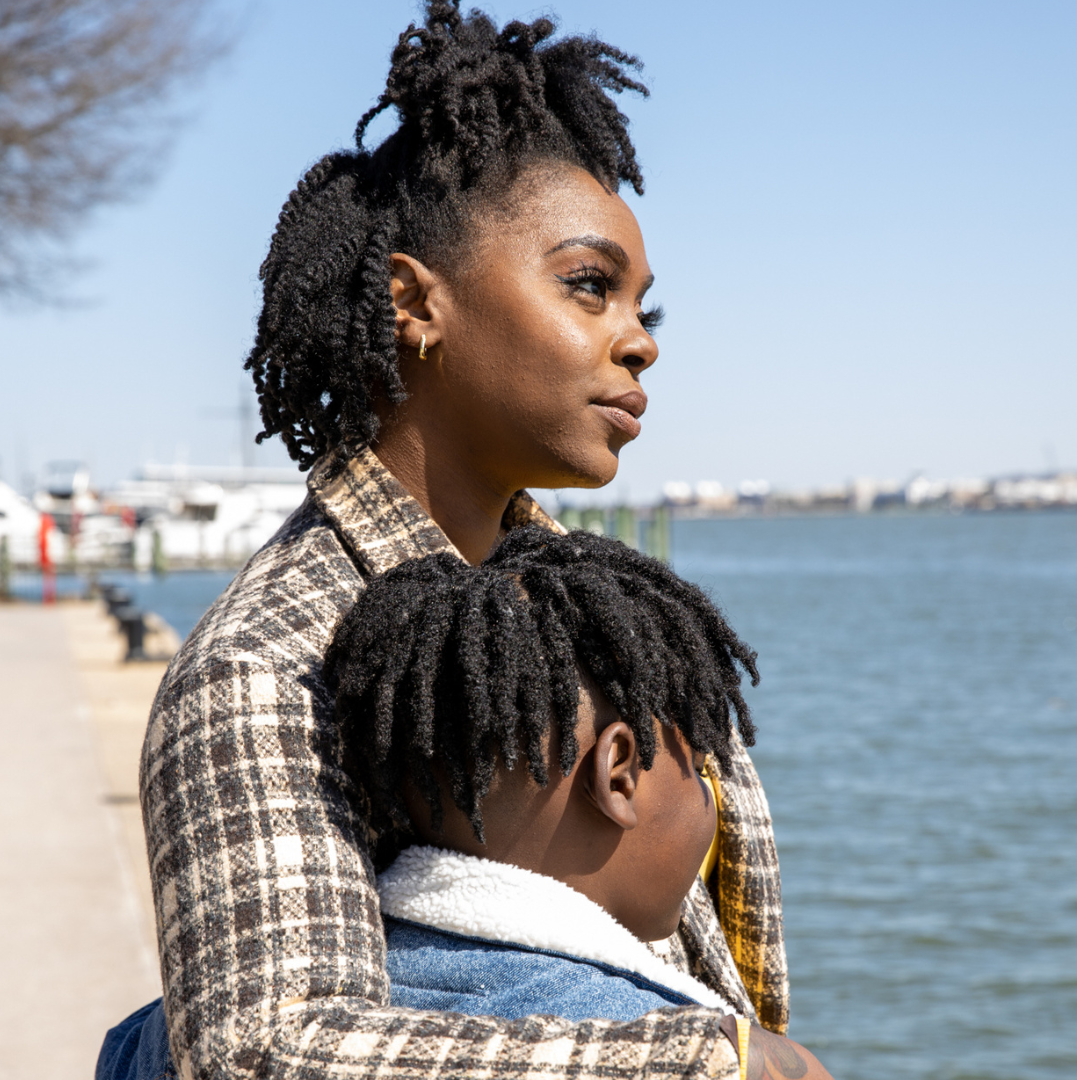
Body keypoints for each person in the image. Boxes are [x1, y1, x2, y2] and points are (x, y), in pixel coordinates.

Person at [96, 3, 787, 1079]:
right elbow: (267, 1051)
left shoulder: (605, 608)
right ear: (415, 303)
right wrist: (715, 1064)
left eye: (648, 307)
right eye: (590, 286)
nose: (640, 342)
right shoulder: (264, 670)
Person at [323, 527, 832, 1080]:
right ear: (619, 776)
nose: (711, 798)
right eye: (702, 769)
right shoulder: (677, 1047)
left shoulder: (375, 993)